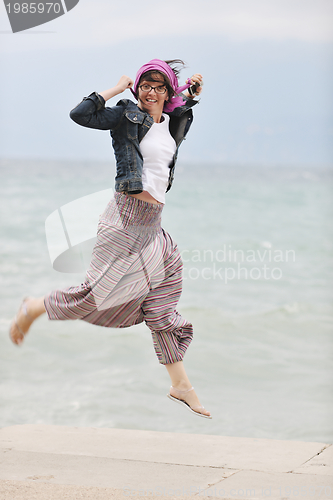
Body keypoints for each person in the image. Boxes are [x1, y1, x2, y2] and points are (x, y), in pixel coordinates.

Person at [9, 59, 211, 419]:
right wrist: (116, 89)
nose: (150, 92)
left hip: (153, 225)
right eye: (144, 85)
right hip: (123, 220)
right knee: (96, 296)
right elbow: (80, 114)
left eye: (158, 86)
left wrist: (192, 92)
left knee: (161, 304)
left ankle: (181, 385)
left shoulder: (174, 121)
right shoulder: (124, 116)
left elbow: (184, 107)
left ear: (167, 93)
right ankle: (34, 307)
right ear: (137, 88)